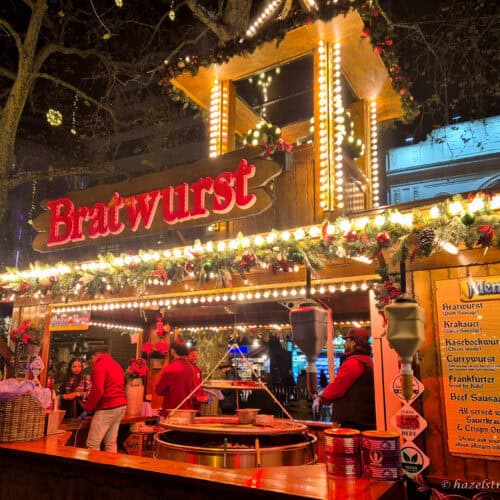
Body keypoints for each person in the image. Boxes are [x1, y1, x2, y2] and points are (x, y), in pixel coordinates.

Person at [313, 328, 375, 431]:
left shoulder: (354, 362)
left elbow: (338, 386)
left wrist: (321, 398)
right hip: (366, 418)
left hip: (354, 421)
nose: (344, 344)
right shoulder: (368, 361)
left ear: (353, 343)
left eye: (347, 341)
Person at [80, 349, 127, 453]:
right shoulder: (116, 364)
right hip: (121, 406)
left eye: (89, 361)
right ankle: (110, 467)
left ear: (94, 356)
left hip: (108, 407)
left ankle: (95, 469)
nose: (91, 364)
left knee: (92, 444)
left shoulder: (99, 365)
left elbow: (97, 391)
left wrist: (87, 409)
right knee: (110, 442)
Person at [156, 342, 198, 416]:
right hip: (187, 411)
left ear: (173, 351)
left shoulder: (170, 369)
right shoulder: (192, 368)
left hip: (171, 411)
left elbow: (159, 390)